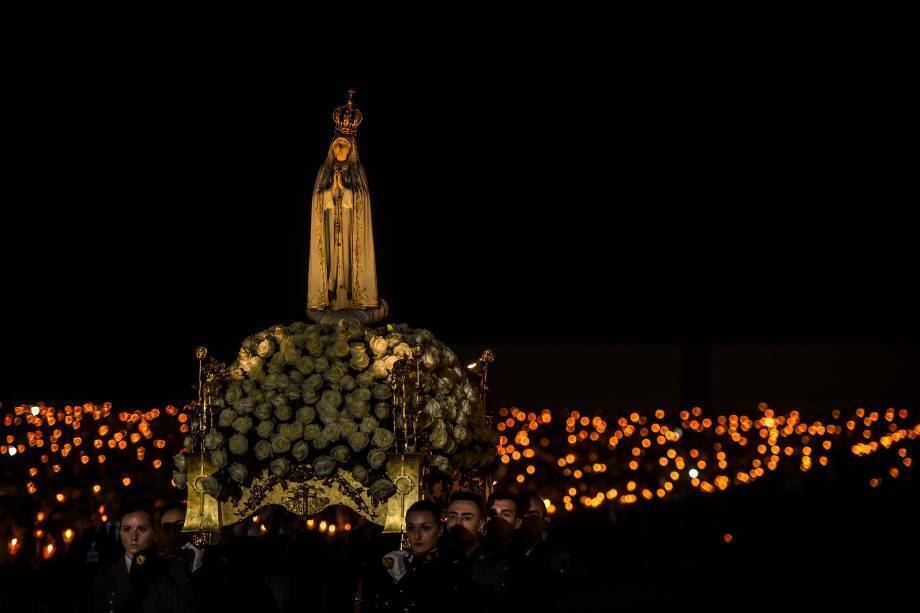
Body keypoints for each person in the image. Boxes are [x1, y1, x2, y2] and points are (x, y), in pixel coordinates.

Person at [308, 89, 380, 313]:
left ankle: (353, 297)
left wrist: (346, 191)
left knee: (349, 263)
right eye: (338, 145)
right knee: (332, 261)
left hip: (351, 229)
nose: (340, 149)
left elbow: (363, 200)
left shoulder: (357, 172)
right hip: (330, 228)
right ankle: (329, 298)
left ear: (351, 149)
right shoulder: (325, 170)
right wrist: (331, 190)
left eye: (345, 145)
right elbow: (317, 200)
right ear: (332, 147)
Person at [92, 505, 194, 613]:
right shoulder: (104, 575)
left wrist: (158, 574)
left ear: (154, 532)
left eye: (142, 529)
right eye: (127, 529)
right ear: (120, 532)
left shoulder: (174, 566)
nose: (134, 537)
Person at [510, 493, 571, 613]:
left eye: (533, 516)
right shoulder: (502, 554)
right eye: (521, 514)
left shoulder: (555, 558)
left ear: (545, 521)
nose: (524, 521)